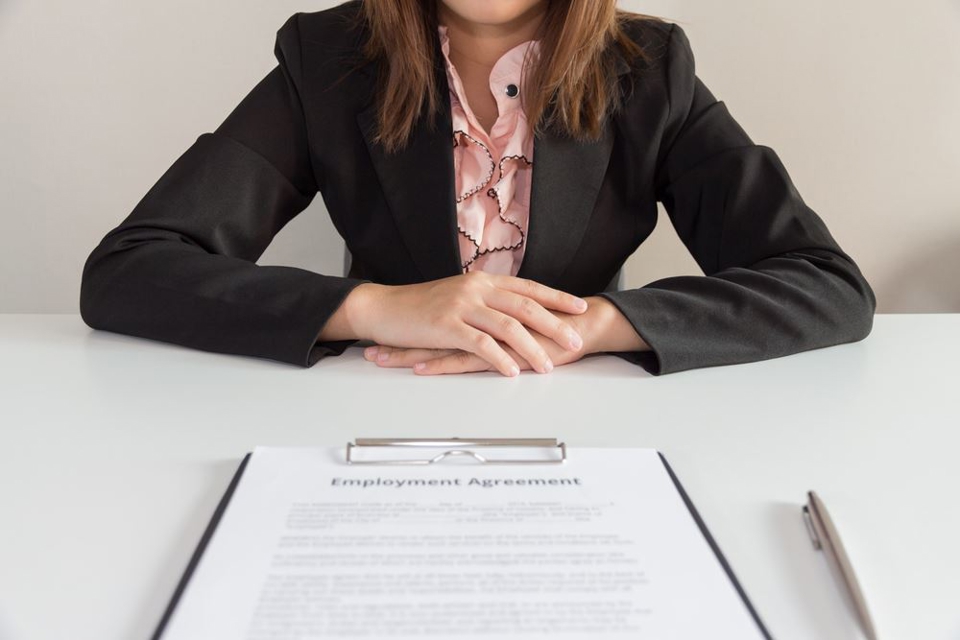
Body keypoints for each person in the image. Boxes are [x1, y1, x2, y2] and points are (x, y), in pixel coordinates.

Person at [79, 0, 876, 377]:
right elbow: (129, 270)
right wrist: (372, 308)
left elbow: (825, 286)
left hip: (584, 425)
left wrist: (592, 328)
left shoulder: (650, 66)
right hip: (377, 415)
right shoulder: (324, 56)